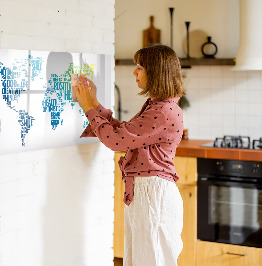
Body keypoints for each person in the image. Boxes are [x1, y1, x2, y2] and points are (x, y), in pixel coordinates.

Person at [73, 44, 185, 266]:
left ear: (156, 72)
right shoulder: (158, 106)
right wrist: (94, 103)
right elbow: (124, 133)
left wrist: (88, 108)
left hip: (153, 195)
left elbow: (116, 141)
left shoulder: (162, 111)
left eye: (140, 67)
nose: (134, 72)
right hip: (148, 193)